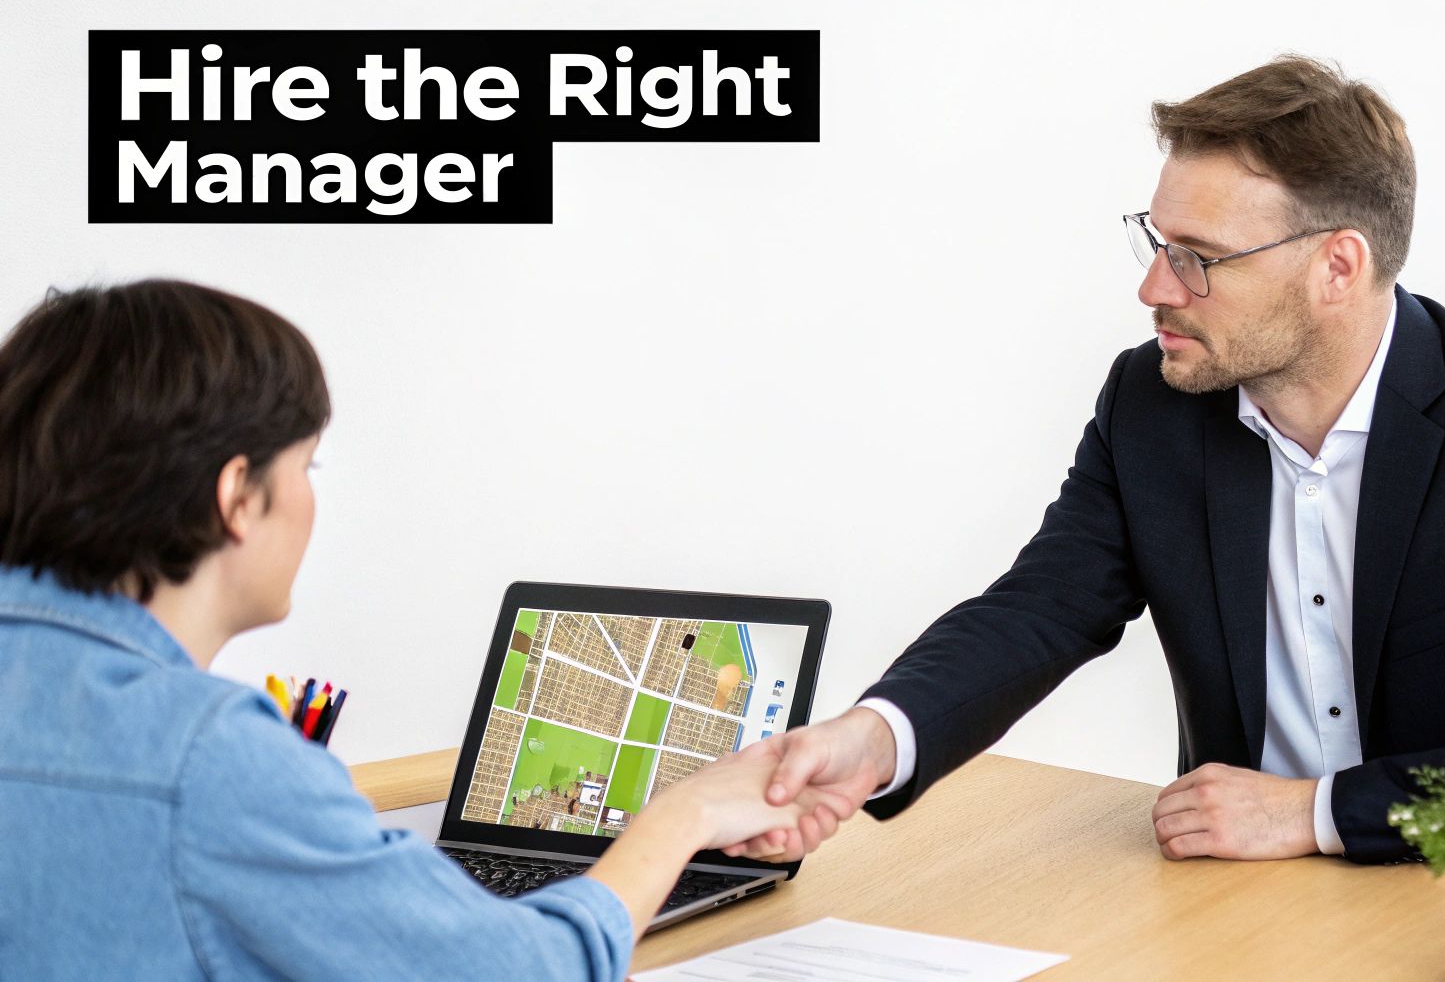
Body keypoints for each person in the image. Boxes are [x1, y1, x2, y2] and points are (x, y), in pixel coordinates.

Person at [732, 55, 1445, 880]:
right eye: (1156, 242)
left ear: (1338, 268)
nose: (1154, 287)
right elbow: (1041, 607)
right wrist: (876, 737)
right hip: (1256, 914)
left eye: (1198, 257)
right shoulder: (1152, 406)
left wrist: (1312, 814)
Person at [0, 279, 848, 979]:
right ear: (236, 497)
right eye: (308, 466)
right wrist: (683, 815)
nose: (312, 499)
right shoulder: (205, 760)